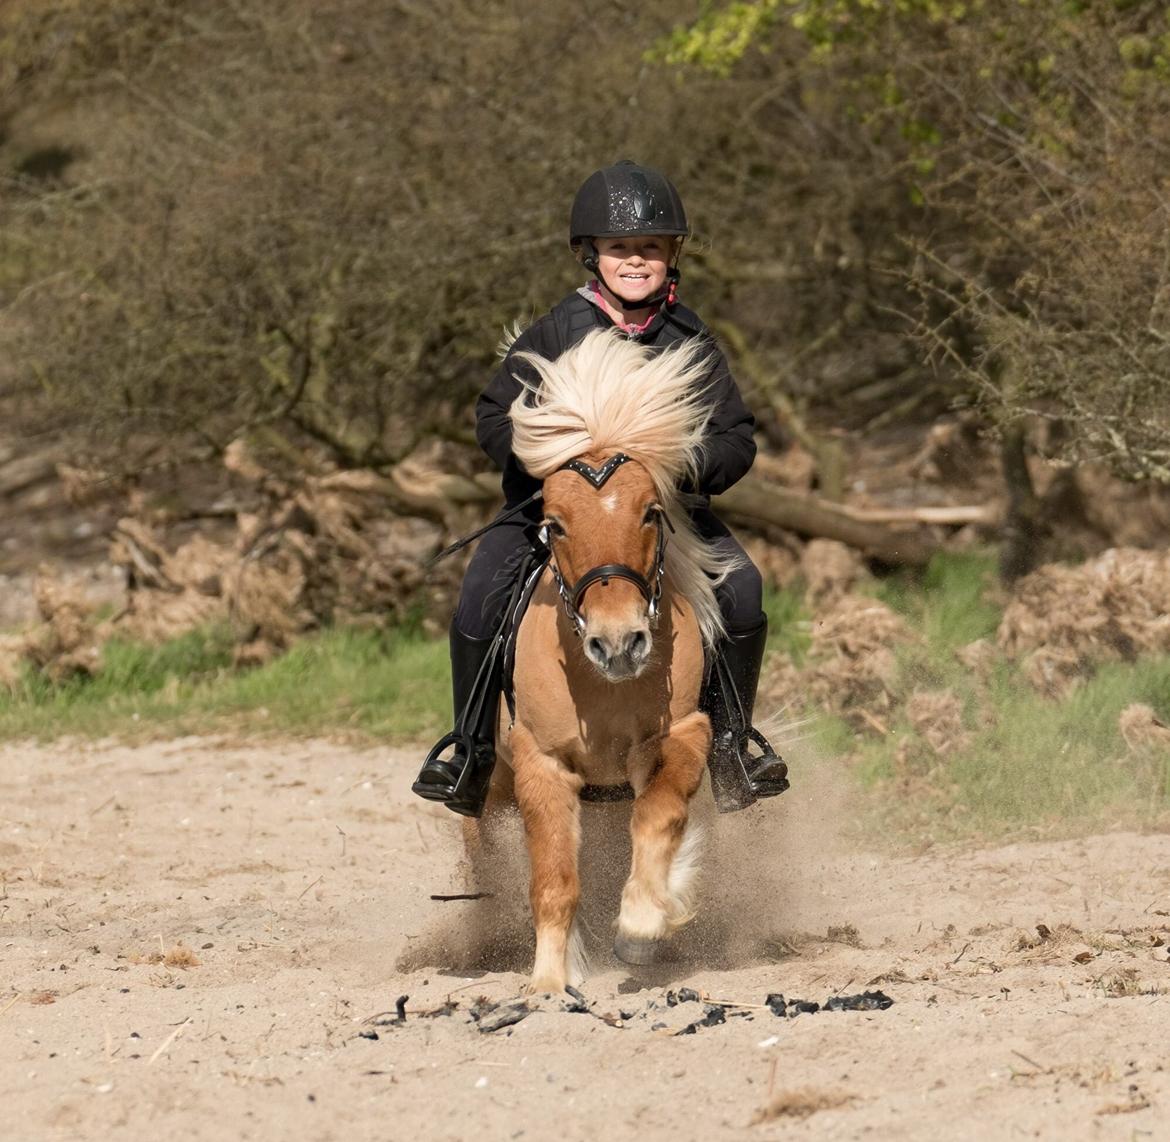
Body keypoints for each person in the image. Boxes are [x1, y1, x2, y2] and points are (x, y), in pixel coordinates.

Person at [412, 160, 789, 817]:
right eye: (620, 247)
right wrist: (549, 457)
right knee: (478, 596)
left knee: (745, 591)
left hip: (660, 515)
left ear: (672, 255)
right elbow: (492, 416)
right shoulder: (556, 331)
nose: (636, 259)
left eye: (651, 247)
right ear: (591, 254)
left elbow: (736, 437)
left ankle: (732, 744)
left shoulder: (691, 341)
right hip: (554, 513)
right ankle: (470, 749)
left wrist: (674, 466)